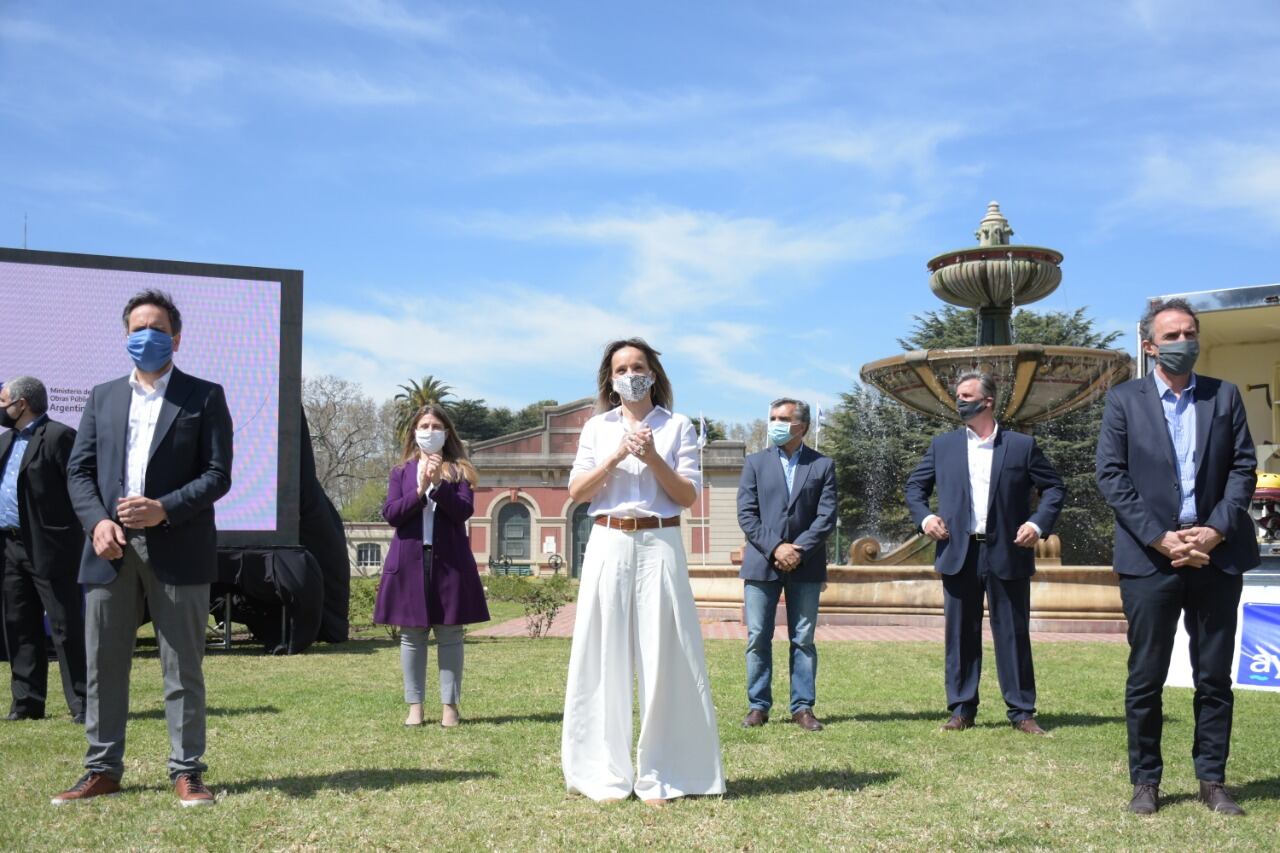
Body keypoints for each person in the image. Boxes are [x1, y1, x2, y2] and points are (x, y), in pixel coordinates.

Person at [55, 290, 233, 807]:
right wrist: (96, 523)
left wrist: (165, 508)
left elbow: (217, 475)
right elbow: (79, 471)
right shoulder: (102, 396)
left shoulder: (204, 396)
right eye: (137, 328)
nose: (146, 336)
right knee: (103, 664)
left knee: (183, 666)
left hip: (178, 546)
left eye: (156, 327)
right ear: (126, 336)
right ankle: (102, 768)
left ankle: (187, 771)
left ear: (176, 337)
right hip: (109, 551)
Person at [1095, 297, 1259, 817]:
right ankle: (1146, 780)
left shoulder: (1225, 397)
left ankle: (1212, 780)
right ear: (1149, 345)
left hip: (1216, 556)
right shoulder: (1123, 401)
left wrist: (1213, 530)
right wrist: (1160, 538)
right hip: (1150, 560)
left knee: (1213, 676)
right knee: (1146, 675)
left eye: (1189, 332)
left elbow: (1242, 469)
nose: (1183, 342)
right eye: (1171, 336)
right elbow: (1112, 477)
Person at [561, 338, 725, 805]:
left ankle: (667, 773)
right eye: (620, 368)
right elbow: (578, 491)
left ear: (653, 373)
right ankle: (602, 773)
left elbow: (687, 496)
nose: (630, 374)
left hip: (660, 539)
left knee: (667, 653)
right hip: (608, 539)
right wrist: (615, 456)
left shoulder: (678, 427)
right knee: (601, 652)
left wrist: (652, 457)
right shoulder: (596, 428)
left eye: (638, 366)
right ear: (609, 380)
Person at [905, 370, 1064, 735]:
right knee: (959, 635)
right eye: (958, 395)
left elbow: (1053, 487)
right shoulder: (942, 446)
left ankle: (1022, 712)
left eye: (966, 395)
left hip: (1008, 552)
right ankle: (961, 709)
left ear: (987, 401)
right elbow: (914, 488)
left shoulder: (1021, 446)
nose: (959, 401)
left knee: (1013, 633)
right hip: (958, 552)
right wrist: (925, 517)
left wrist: (1037, 524)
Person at [374, 403, 489, 728]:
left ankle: (450, 707)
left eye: (435, 426)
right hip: (409, 560)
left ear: (447, 433)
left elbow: (463, 513)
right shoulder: (401, 472)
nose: (429, 432)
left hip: (450, 562)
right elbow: (392, 514)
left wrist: (438, 485)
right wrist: (420, 489)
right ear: (414, 432)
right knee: (412, 635)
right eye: (423, 426)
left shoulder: (460, 471)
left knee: (450, 634)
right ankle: (415, 707)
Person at [736, 397, 837, 731]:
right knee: (757, 637)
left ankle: (803, 707)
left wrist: (799, 549)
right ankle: (758, 705)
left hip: (806, 565)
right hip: (762, 563)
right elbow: (746, 515)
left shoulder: (823, 465)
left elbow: (826, 517)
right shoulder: (755, 463)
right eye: (772, 417)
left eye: (782, 418)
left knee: (804, 638)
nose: (774, 423)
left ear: (802, 426)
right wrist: (777, 547)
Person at [0, 376, 86, 724]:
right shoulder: (6, 440)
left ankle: (82, 702)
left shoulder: (58, 436)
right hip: (9, 545)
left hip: (49, 547)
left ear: (23, 404)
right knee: (19, 623)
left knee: (65, 625)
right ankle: (27, 702)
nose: (1, 407)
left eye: (4, 400)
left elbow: (79, 487)